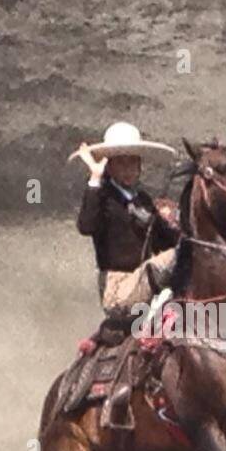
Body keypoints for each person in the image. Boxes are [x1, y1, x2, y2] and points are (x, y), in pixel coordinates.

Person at [70, 122, 179, 322]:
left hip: (145, 284)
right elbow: (86, 226)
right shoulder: (102, 196)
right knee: (179, 255)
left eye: (133, 163)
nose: (128, 169)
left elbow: (166, 240)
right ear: (109, 166)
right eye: (121, 163)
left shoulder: (143, 200)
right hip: (118, 290)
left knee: (188, 251)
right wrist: (94, 178)